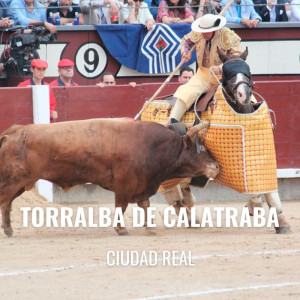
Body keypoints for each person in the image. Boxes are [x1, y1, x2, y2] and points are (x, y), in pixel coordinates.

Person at [169, 14, 243, 122]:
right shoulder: (200, 33)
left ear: (215, 30)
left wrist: (221, 68)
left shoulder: (228, 36)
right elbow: (186, 41)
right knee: (185, 93)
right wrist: (184, 52)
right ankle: (173, 122)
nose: (203, 34)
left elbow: (237, 59)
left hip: (227, 76)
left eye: (206, 32)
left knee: (245, 96)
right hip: (203, 75)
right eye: (202, 31)